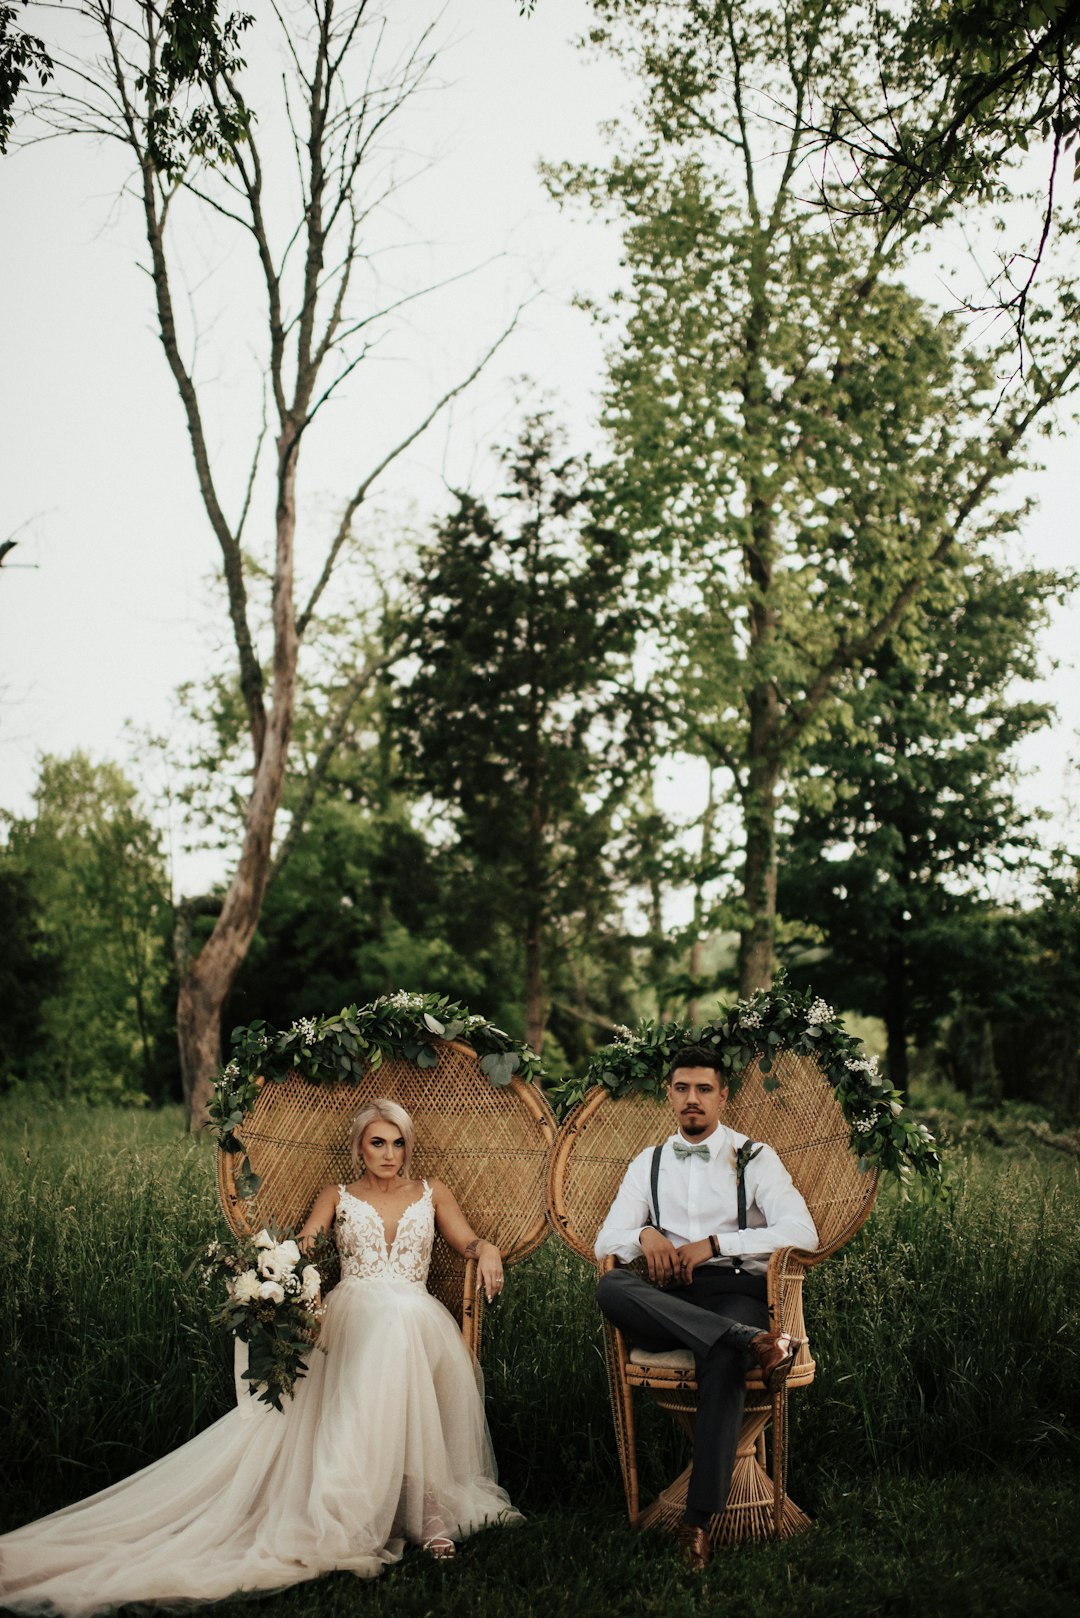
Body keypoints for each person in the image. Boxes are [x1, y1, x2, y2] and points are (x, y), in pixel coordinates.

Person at [0, 1099, 520, 1615]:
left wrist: (488, 1248)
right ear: (359, 1148)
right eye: (377, 1143)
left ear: (409, 1146)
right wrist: (283, 1276)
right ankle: (363, 1513)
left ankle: (429, 1516)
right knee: (385, 1336)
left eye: (398, 1142)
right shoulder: (337, 1194)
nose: (389, 1153)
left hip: (416, 1313)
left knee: (401, 1331)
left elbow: (467, 1239)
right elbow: (304, 1248)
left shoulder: (431, 1192)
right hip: (355, 1314)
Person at [595, 1046, 818, 1570]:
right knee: (610, 1289)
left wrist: (719, 1245)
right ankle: (751, 1342)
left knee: (719, 1354)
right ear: (669, 1095)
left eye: (703, 1089)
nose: (691, 1099)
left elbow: (802, 1232)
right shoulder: (646, 1163)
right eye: (681, 1089)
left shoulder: (755, 1156)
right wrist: (644, 1235)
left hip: (734, 1289)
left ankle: (695, 1523)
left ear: (723, 1095)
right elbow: (607, 1237)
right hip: (665, 1298)